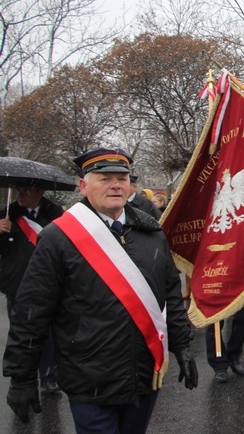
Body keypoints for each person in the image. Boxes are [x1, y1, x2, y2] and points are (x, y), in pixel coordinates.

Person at [3, 148, 197, 431]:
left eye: (122, 178)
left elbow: (169, 294)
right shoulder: (59, 237)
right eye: (105, 178)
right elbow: (31, 311)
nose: (116, 185)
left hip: (144, 374)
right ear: (84, 186)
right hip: (89, 378)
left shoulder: (151, 232)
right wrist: (21, 376)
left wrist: (182, 346)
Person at [0, 182, 64, 394]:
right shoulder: (7, 214)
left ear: (40, 192)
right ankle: (23, 378)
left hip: (48, 285)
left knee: (48, 335)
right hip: (17, 284)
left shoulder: (56, 215)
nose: (21, 194)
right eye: (19, 190)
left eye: (27, 190)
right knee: (20, 334)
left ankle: (49, 375)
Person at [206, 298, 244, 383]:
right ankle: (219, 363)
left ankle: (234, 354)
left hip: (240, 285)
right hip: (216, 287)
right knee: (214, 323)